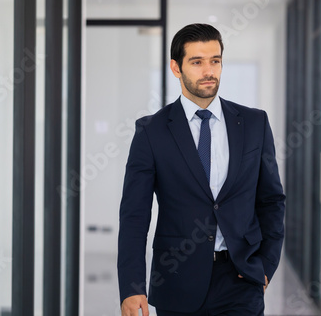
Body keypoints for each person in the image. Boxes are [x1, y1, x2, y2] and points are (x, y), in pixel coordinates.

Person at [117, 23, 285, 316]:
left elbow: (271, 200)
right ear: (176, 67)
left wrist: (266, 266)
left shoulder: (255, 123)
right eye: (197, 62)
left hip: (241, 280)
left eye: (215, 61)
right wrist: (132, 287)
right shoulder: (151, 131)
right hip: (177, 281)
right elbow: (135, 215)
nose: (209, 70)